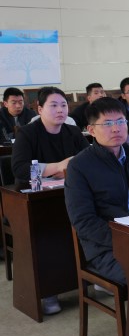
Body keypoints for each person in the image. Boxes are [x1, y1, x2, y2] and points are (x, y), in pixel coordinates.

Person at [65, 97, 129, 287]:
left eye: (120, 121)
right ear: (91, 130)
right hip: (108, 248)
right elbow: (83, 221)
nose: (116, 129)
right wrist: (128, 240)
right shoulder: (79, 166)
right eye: (107, 124)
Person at [11, 86, 89, 315]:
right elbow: (19, 168)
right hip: (38, 198)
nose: (60, 110)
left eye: (64, 105)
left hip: (70, 192)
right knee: (48, 234)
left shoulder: (73, 132)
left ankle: (93, 278)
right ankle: (49, 291)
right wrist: (57, 167)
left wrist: (66, 170)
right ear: (40, 109)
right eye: (53, 105)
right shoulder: (27, 133)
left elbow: (87, 159)